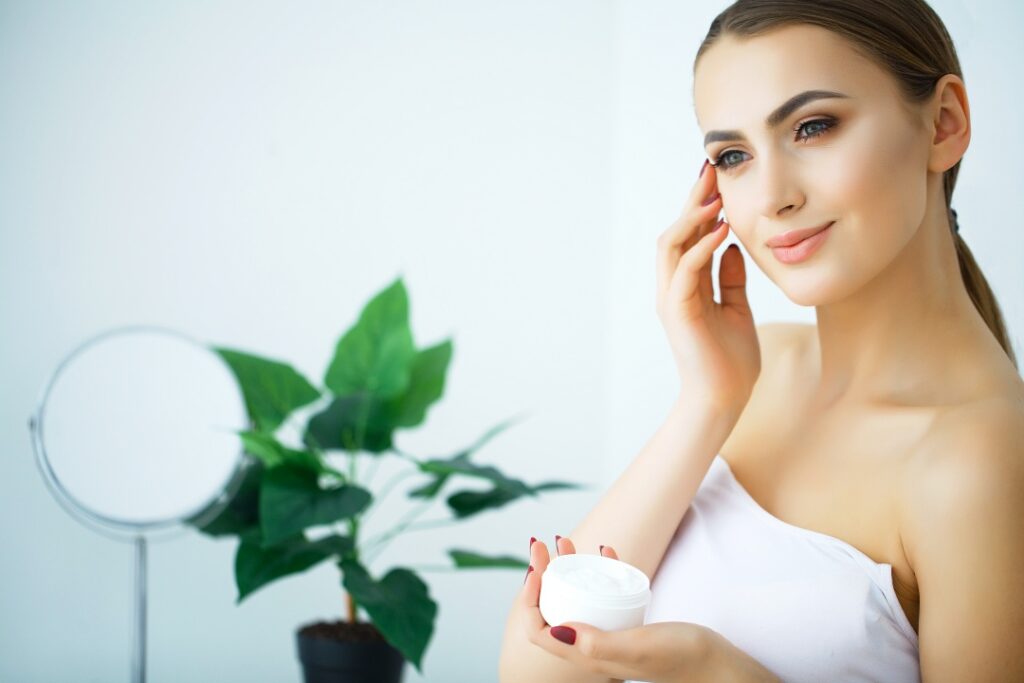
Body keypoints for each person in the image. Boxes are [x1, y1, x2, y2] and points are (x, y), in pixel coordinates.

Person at [498, 0, 1024, 681]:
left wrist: (722, 672)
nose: (772, 195)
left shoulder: (982, 461)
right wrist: (708, 400)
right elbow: (537, 669)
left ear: (944, 124)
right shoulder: (756, 370)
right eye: (734, 155)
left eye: (813, 126)